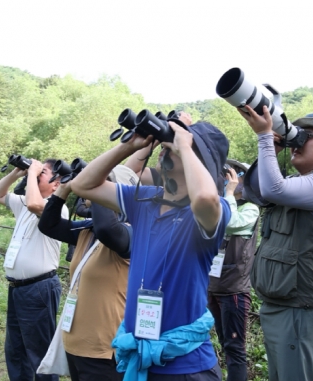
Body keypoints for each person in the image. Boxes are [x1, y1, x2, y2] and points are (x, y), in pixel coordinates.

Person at [71, 120, 231, 380]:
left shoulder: (210, 212)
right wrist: (130, 145)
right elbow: (83, 185)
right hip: (143, 361)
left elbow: (204, 197)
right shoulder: (144, 200)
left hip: (187, 367)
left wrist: (185, 146)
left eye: (178, 145)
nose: (167, 148)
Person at [238, 105, 313, 381]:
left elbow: (272, 189)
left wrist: (264, 138)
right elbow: (252, 190)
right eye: (296, 135)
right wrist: (274, 148)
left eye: (307, 136)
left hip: (302, 309)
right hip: (284, 305)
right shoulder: (300, 183)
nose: (297, 141)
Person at [38, 165, 138, 381]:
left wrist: (95, 185)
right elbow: (48, 225)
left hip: (105, 351)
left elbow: (108, 229)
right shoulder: (88, 230)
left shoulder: (133, 234)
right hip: (75, 345)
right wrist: (64, 188)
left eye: (103, 183)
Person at [0, 158, 66, 381]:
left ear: (56, 184)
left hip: (39, 288)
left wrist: (31, 174)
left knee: (40, 352)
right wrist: (16, 173)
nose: (37, 173)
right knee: (16, 350)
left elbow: (35, 204)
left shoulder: (57, 207)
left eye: (43, 172)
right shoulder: (23, 203)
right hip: (18, 288)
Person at [206, 160, 259, 381]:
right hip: (214, 287)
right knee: (222, 341)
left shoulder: (251, 208)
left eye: (238, 174)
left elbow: (229, 221)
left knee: (235, 348)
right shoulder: (220, 204)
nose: (231, 177)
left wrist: (228, 192)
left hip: (234, 291)